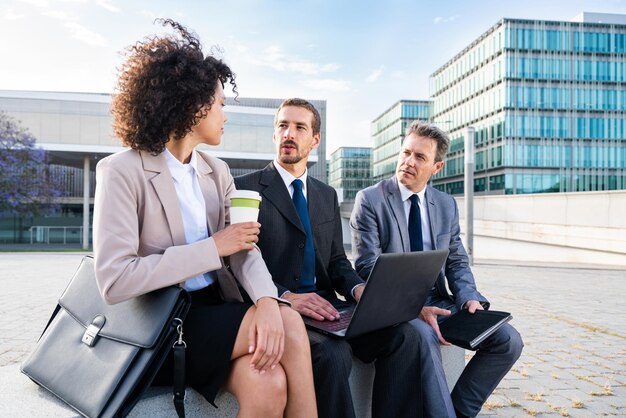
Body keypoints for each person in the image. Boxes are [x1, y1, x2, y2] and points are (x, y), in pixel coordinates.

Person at [92, 20, 317, 418]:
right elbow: (115, 279)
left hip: (216, 311)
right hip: (162, 323)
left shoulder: (218, 172)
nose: (224, 114)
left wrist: (267, 299)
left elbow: (243, 246)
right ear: (193, 105)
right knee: (294, 327)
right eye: (220, 104)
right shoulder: (121, 171)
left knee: (269, 384)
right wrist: (213, 248)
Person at [235, 98, 422, 418]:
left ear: (315, 140)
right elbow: (238, 264)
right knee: (334, 355)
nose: (288, 134)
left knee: (407, 335)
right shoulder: (245, 188)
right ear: (274, 134)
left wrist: (359, 290)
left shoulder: (326, 194)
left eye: (299, 127)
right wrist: (285, 296)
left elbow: (337, 260)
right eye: (282, 126)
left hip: (329, 307)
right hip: (282, 308)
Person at [350, 120, 524, 418]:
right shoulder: (371, 200)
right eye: (406, 153)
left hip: (438, 302)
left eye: (420, 157)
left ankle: (458, 411)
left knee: (508, 340)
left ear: (436, 167)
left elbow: (457, 259)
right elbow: (367, 265)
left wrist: (469, 297)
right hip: (392, 309)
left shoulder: (445, 204)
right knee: (423, 336)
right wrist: (412, 307)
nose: (408, 162)